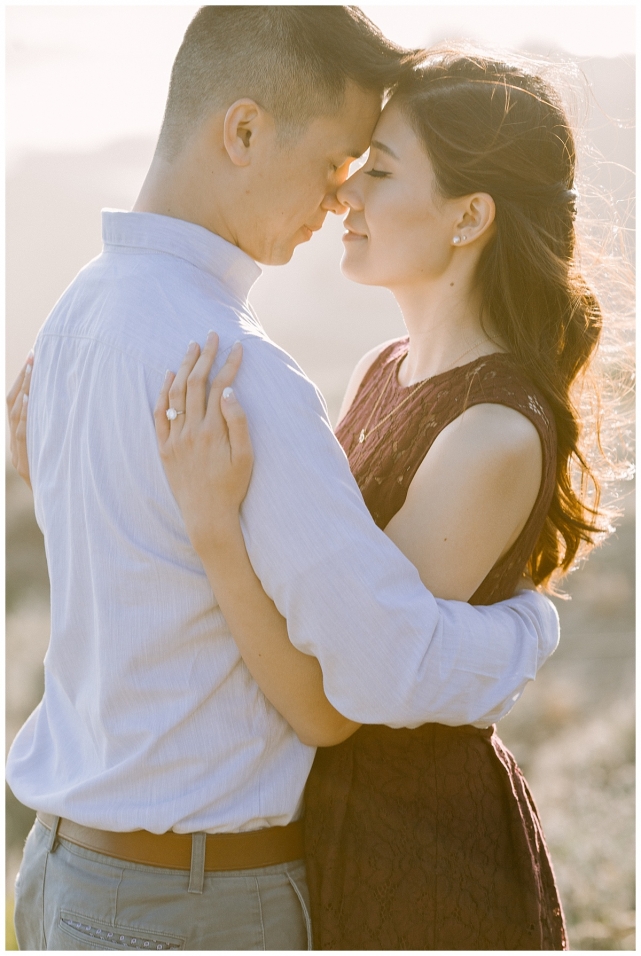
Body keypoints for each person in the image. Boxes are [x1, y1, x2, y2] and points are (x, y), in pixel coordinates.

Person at [6, 9, 561, 951]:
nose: (336, 196)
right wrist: (526, 626)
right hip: (191, 903)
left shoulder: (76, 316)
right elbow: (375, 673)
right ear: (246, 131)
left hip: (65, 876)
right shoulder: (235, 372)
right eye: (338, 160)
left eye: (368, 170)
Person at [137, 52, 617, 949]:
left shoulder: (492, 431)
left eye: (381, 172)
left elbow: (343, 687)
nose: (344, 195)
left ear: (469, 216)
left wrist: (212, 527)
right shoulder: (380, 371)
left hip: (426, 855)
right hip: (331, 818)